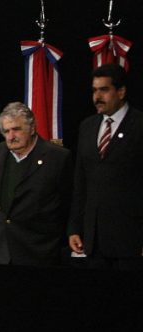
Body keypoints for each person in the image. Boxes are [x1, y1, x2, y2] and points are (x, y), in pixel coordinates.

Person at [69, 63, 143, 270]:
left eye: (104, 90)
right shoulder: (87, 126)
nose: (97, 97)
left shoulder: (139, 125)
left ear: (121, 91)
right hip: (94, 240)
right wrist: (74, 228)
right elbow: (80, 181)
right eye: (94, 90)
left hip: (131, 239)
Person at [0, 102, 72, 266]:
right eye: (6, 131)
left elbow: (67, 204)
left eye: (16, 129)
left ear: (32, 129)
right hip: (1, 251)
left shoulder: (57, 157)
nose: (11, 136)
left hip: (39, 251)